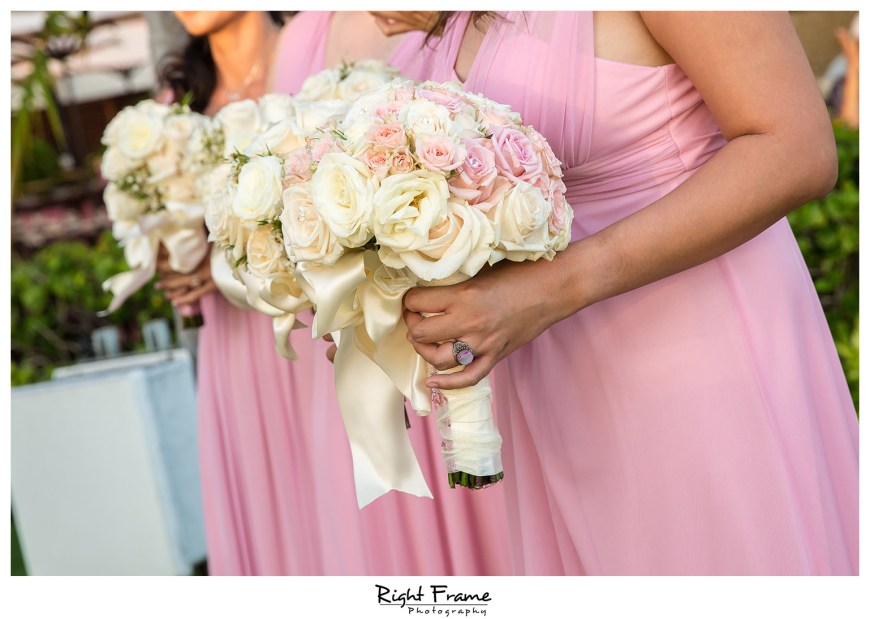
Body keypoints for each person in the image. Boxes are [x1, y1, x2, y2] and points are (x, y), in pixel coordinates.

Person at [372, 11, 858, 575]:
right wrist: (387, 301)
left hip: (693, 357)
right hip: (553, 376)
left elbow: (797, 148)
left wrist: (551, 289)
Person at [155, 10, 512, 575]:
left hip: (338, 306)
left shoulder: (315, 38)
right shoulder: (177, 96)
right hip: (262, 316)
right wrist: (182, 252)